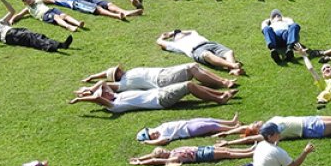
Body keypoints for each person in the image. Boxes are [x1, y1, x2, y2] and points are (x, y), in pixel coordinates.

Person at [0, 0, 72, 53]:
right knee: (30, 38)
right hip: (7, 36)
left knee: (35, 36)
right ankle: (54, 46)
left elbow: (12, 12)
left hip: (13, 31)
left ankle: (57, 45)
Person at [215, 113, 331, 145]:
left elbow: (245, 129)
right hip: (311, 129)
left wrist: (227, 132)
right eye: (254, 125)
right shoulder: (266, 134)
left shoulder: (267, 124)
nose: (254, 122)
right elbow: (247, 137)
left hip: (309, 119)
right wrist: (230, 142)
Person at [68, 79, 233, 112]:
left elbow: (103, 83)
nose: (106, 91)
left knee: (189, 84)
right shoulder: (115, 107)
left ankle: (221, 94)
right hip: (160, 100)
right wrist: (81, 99)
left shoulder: (116, 97)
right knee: (188, 85)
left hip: (160, 94)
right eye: (104, 94)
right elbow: (98, 98)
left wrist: (90, 88)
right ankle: (219, 99)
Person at [81, 63, 237, 93]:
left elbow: (103, 76)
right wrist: (90, 88)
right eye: (117, 71)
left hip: (163, 73)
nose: (120, 70)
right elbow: (104, 83)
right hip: (161, 80)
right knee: (192, 68)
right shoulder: (123, 84)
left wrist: (91, 77)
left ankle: (222, 82)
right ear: (116, 76)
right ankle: (224, 82)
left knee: (193, 66)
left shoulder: (126, 76)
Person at [157, 29, 244, 75]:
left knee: (229, 52)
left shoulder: (194, 34)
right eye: (177, 35)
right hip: (197, 50)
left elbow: (190, 30)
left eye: (180, 33)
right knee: (207, 55)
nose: (179, 34)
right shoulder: (176, 45)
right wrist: (163, 37)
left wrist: (174, 32)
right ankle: (233, 66)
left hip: (210, 44)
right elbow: (160, 42)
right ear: (174, 39)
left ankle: (234, 70)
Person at [136, 116, 243, 146]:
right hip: (188, 130)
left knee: (208, 119)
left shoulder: (158, 128)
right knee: (211, 126)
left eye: (152, 134)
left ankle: (231, 122)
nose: (154, 135)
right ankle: (234, 129)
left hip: (187, 122)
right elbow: (163, 141)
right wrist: (148, 142)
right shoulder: (162, 136)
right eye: (152, 137)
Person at [128, 143, 255, 166]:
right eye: (162, 152)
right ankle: (249, 153)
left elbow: (152, 155)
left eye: (163, 149)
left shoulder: (173, 151)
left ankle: (248, 150)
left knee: (226, 149)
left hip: (202, 148)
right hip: (201, 155)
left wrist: (140, 157)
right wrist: (140, 162)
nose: (164, 150)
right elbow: (154, 159)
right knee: (227, 154)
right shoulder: (172, 158)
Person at [18, 0, 84, 32]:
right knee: (56, 17)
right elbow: (19, 15)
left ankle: (78, 23)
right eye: (25, 0)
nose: (28, 0)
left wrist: (50, 0)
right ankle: (68, 26)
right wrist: (11, 20)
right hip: (44, 15)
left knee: (64, 15)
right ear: (24, 3)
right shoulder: (28, 9)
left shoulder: (38, 0)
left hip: (51, 10)